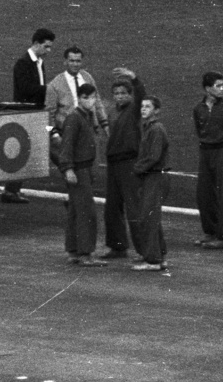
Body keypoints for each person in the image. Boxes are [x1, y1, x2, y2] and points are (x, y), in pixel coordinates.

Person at [1, 26, 54, 203]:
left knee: (26, 151)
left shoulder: (38, 62)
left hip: (35, 112)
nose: (48, 50)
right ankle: (10, 191)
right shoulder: (23, 63)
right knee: (25, 151)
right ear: (36, 43)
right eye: (46, 46)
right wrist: (48, 89)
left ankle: (11, 190)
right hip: (26, 114)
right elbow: (25, 89)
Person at [193, 71, 223, 249]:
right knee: (204, 194)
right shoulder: (198, 109)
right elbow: (199, 130)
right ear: (208, 88)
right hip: (206, 152)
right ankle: (210, 231)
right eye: (218, 86)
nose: (222, 89)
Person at [100, 69, 146, 260]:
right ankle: (118, 247)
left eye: (123, 93)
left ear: (130, 95)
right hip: (114, 164)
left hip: (128, 164)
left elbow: (142, 95)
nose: (119, 96)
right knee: (112, 207)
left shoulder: (134, 110)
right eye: (116, 93)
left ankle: (145, 251)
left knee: (133, 208)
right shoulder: (113, 112)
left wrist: (133, 77)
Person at [59, 83, 104, 266]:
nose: (90, 101)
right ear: (79, 98)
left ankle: (74, 251)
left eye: (92, 97)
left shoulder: (87, 116)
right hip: (79, 169)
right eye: (86, 97)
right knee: (87, 211)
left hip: (83, 168)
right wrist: (68, 168)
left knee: (76, 211)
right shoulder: (75, 118)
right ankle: (86, 253)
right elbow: (67, 145)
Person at [131, 96, 171, 272]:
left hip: (155, 176)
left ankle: (153, 260)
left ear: (156, 110)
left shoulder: (155, 129)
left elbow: (153, 157)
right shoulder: (149, 128)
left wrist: (137, 169)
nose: (143, 109)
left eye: (148, 106)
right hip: (152, 176)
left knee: (148, 217)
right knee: (151, 217)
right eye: (142, 106)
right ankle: (160, 255)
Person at [44, 46, 106, 159]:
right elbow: (48, 114)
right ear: (65, 62)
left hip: (89, 129)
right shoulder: (54, 85)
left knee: (91, 163)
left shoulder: (87, 78)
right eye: (72, 61)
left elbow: (97, 102)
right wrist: (54, 134)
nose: (75, 64)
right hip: (68, 133)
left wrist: (104, 124)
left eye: (78, 61)